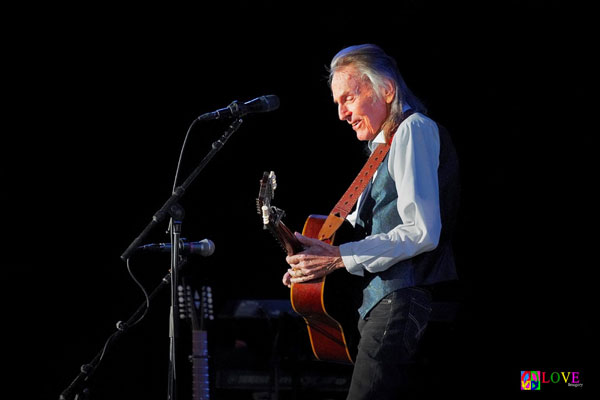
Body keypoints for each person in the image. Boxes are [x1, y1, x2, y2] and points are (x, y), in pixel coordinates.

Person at [282, 44, 460, 399]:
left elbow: (421, 230)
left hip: (399, 300)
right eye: (337, 103)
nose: (341, 114)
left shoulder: (414, 130)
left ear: (387, 90)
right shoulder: (383, 149)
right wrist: (317, 257)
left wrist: (337, 257)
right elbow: (365, 235)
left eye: (348, 98)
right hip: (381, 304)